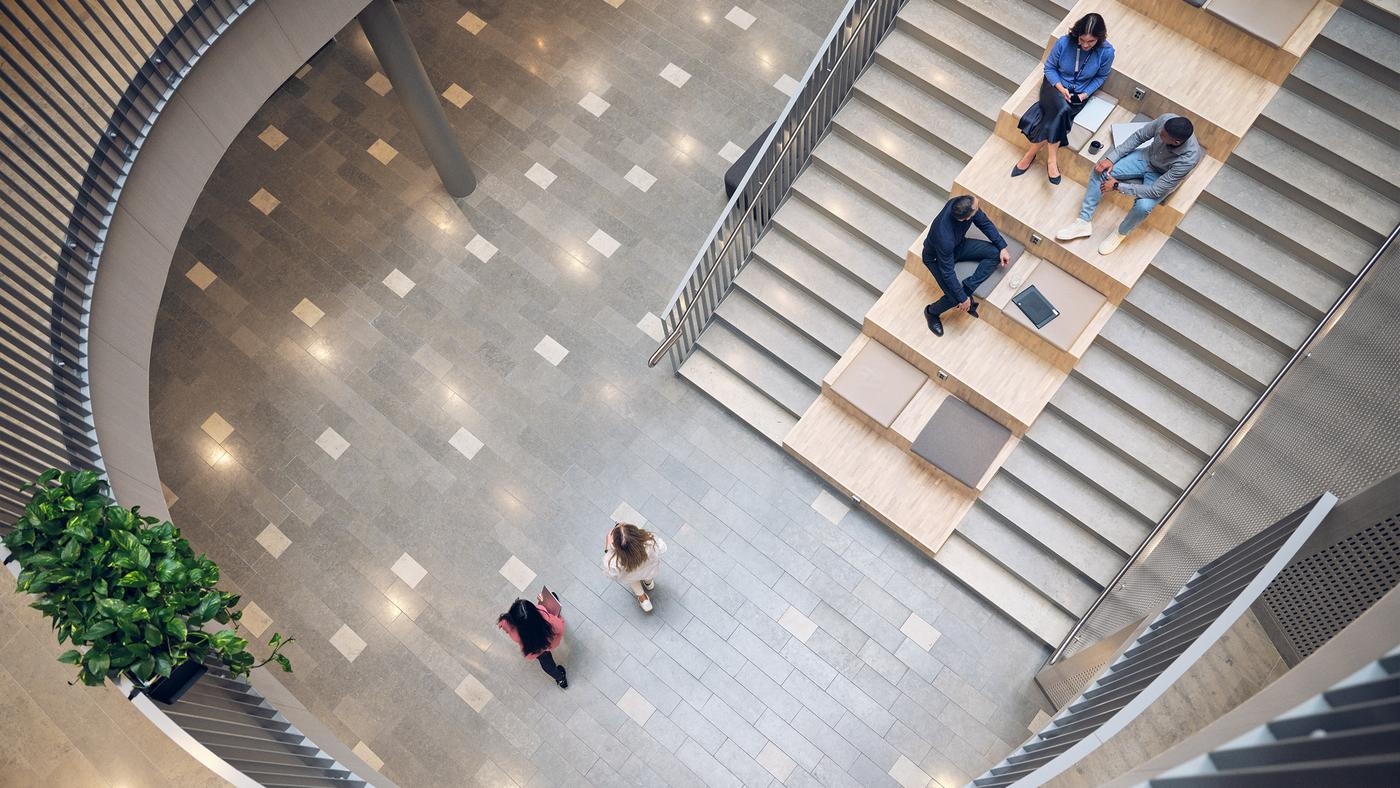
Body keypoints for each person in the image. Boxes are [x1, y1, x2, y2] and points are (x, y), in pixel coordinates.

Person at [1055, 114, 1201, 255]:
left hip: (1160, 176)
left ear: (1176, 142)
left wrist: (1118, 186)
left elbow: (1156, 190)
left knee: (1143, 207)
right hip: (1145, 157)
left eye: (1163, 135)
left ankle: (1120, 233)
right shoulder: (1166, 120)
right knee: (1100, 170)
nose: (1160, 132)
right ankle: (1083, 222)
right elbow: (1139, 137)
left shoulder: (1189, 158)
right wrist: (1111, 158)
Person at [1013, 13, 1113, 185]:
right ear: (1077, 34)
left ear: (1099, 38)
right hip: (1054, 86)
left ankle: (1031, 153)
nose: (1086, 45)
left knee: (1059, 115)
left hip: (1080, 93)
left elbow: (1100, 77)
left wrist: (1084, 94)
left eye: (1091, 41)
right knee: (1062, 111)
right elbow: (1050, 68)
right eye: (1082, 40)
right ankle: (1052, 159)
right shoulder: (1064, 43)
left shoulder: (1106, 52)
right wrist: (1061, 88)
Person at [921, 195, 1011, 337]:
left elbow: (984, 223)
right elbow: (948, 273)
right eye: (976, 208)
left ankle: (967, 287)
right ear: (965, 218)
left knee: (995, 253)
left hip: (958, 245)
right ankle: (931, 312)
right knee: (954, 298)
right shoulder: (944, 237)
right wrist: (962, 298)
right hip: (936, 258)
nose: (978, 205)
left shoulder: (960, 203)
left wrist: (1002, 247)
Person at [497, 595, 568, 689]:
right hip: (546, 644)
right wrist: (543, 604)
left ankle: (560, 679)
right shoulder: (546, 619)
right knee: (553, 602)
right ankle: (560, 678)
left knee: (547, 664)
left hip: (534, 650)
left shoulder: (514, 633)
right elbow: (560, 628)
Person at [602, 522, 667, 612]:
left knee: (634, 583)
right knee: (648, 576)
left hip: (631, 576)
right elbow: (663, 548)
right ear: (636, 533)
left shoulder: (613, 560)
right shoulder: (649, 541)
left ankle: (644, 600)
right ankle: (649, 584)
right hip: (649, 569)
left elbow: (610, 574)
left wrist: (608, 549)